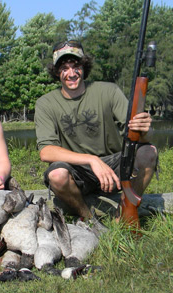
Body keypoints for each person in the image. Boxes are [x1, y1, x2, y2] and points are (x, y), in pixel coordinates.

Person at [34, 41, 157, 221]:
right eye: (64, 68)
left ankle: (125, 210)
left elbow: (142, 137)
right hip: (78, 171)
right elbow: (46, 152)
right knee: (57, 175)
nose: (71, 73)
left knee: (149, 152)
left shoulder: (109, 91)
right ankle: (88, 219)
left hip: (114, 166)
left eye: (76, 66)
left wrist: (145, 129)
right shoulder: (45, 103)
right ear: (57, 72)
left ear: (84, 66)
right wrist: (92, 160)